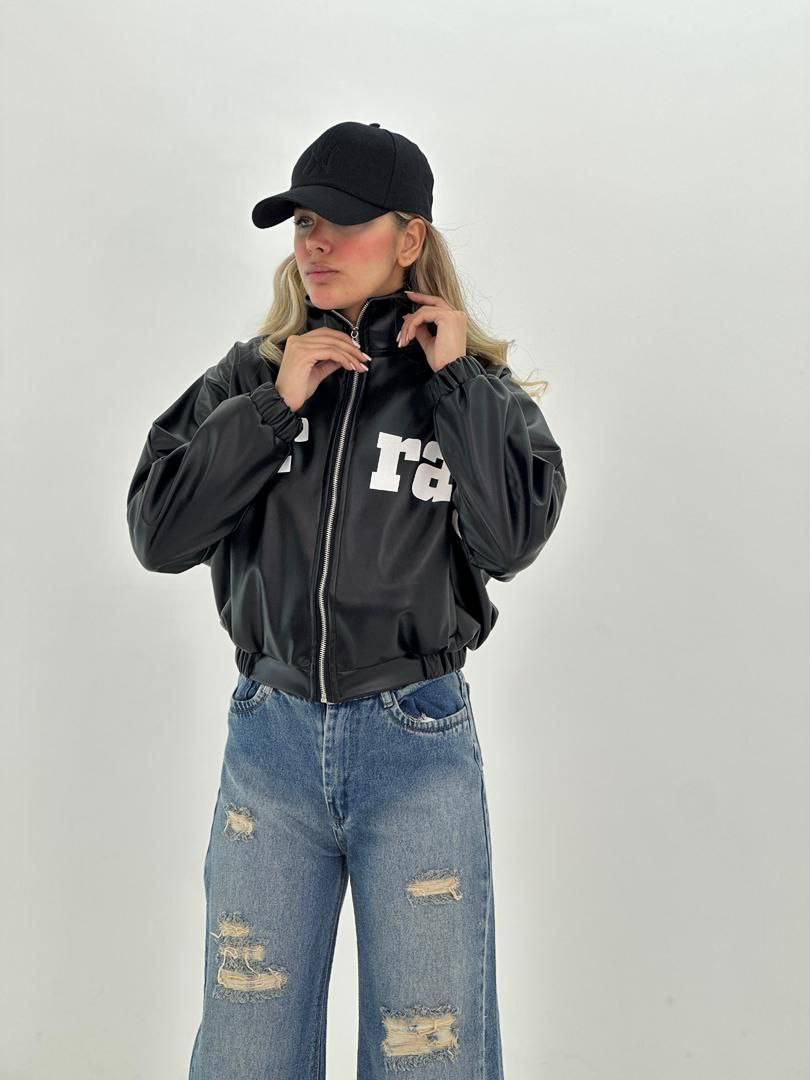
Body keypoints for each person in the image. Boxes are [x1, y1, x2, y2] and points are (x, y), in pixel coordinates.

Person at [126, 120, 567, 1079]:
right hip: (270, 746)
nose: (316, 242)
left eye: (343, 221)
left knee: (429, 1052)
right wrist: (274, 406)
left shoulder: (475, 391)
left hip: (417, 745)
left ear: (410, 238)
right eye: (303, 222)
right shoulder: (251, 376)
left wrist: (456, 382)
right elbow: (159, 536)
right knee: (244, 1053)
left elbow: (510, 542)